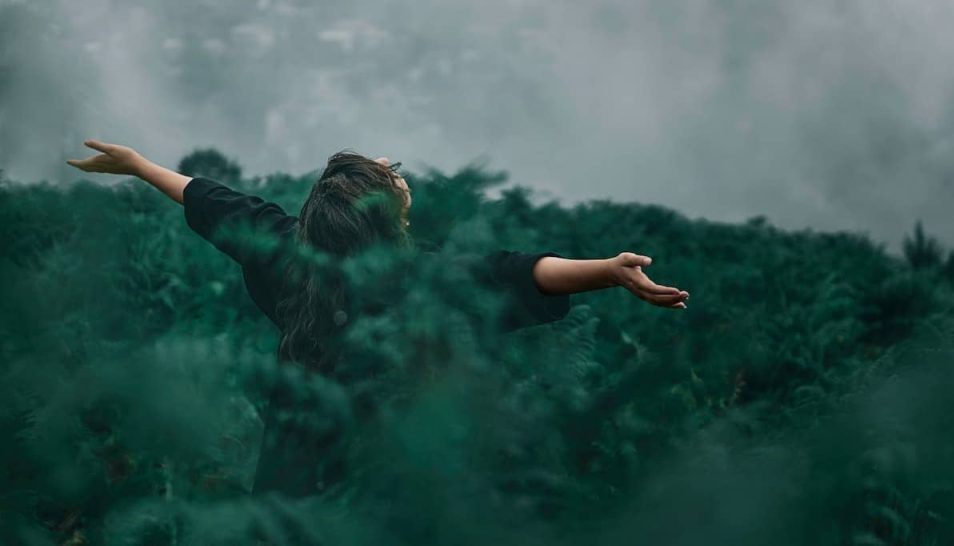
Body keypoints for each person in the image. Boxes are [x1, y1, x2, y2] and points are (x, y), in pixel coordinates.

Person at [66, 138, 690, 497]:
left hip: (290, 469)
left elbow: (209, 200)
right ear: (387, 218)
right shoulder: (414, 275)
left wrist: (138, 165)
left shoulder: (284, 247)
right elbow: (513, 271)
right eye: (394, 182)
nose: (400, 179)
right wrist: (608, 271)